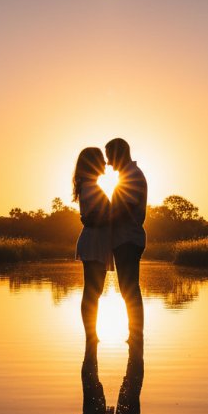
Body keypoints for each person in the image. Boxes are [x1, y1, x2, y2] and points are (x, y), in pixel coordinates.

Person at [105, 138, 147, 340]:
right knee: (127, 289)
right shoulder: (127, 176)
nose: (108, 164)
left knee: (130, 289)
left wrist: (103, 219)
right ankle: (135, 336)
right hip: (125, 239)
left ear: (118, 154)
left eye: (109, 158)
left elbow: (125, 209)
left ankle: (136, 335)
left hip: (128, 239)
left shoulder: (131, 176)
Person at [73, 147, 113, 342]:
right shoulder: (90, 187)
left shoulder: (90, 185)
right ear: (93, 164)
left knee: (94, 290)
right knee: (92, 290)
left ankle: (91, 335)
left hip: (97, 241)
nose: (105, 163)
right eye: (101, 160)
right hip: (94, 242)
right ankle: (91, 335)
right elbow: (96, 218)